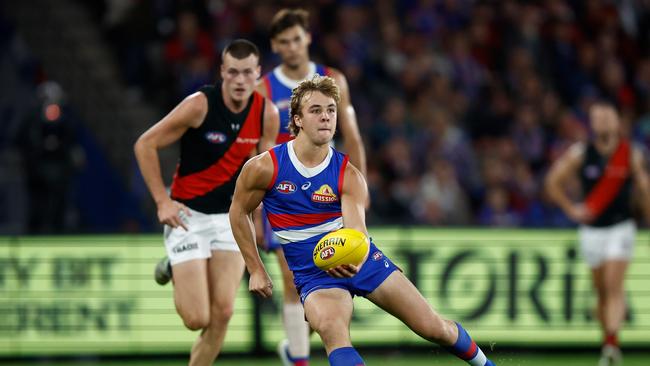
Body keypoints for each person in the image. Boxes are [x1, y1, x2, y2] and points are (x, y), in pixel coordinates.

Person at [229, 75, 496, 366]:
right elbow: (237, 212)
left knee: (434, 328)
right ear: (298, 120)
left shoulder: (349, 174)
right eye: (315, 110)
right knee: (333, 331)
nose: (326, 117)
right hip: (313, 273)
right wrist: (255, 268)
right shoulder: (264, 167)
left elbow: (357, 233)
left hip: (361, 260)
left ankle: (486, 365)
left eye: (331, 110)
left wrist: (354, 260)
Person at [134, 39, 279, 365]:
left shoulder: (266, 114)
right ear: (222, 73)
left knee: (223, 313)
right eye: (233, 72)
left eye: (247, 73)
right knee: (196, 319)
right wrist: (162, 202)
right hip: (189, 216)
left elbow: (263, 170)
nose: (240, 80)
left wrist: (258, 219)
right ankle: (174, 265)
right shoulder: (199, 105)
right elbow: (145, 144)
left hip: (230, 219)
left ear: (258, 75)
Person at [255, 9, 367, 366]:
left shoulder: (333, 79)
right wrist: (258, 211)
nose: (291, 47)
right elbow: (260, 150)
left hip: (327, 192)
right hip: (282, 196)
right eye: (284, 41)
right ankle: (300, 359)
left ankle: (301, 347)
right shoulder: (264, 89)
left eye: (297, 39)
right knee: (291, 277)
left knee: (332, 274)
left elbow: (352, 135)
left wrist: (360, 190)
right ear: (275, 45)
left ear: (308, 39)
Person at [545, 102, 650, 366]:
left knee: (614, 286)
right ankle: (608, 341)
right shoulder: (581, 153)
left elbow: (644, 188)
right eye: (597, 118)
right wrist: (572, 210)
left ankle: (612, 346)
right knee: (602, 291)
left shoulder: (631, 153)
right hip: (591, 232)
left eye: (607, 117)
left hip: (621, 227)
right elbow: (552, 182)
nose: (602, 122)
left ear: (617, 121)